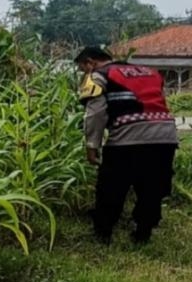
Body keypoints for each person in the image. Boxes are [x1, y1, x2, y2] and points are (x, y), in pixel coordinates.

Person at [75, 46, 178, 244]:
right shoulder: (149, 72)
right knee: (152, 188)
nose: (84, 73)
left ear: (90, 62)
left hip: (128, 137)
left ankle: (103, 234)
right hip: (166, 136)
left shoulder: (98, 75)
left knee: (111, 187)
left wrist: (91, 145)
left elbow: (95, 113)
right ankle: (143, 233)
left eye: (83, 68)